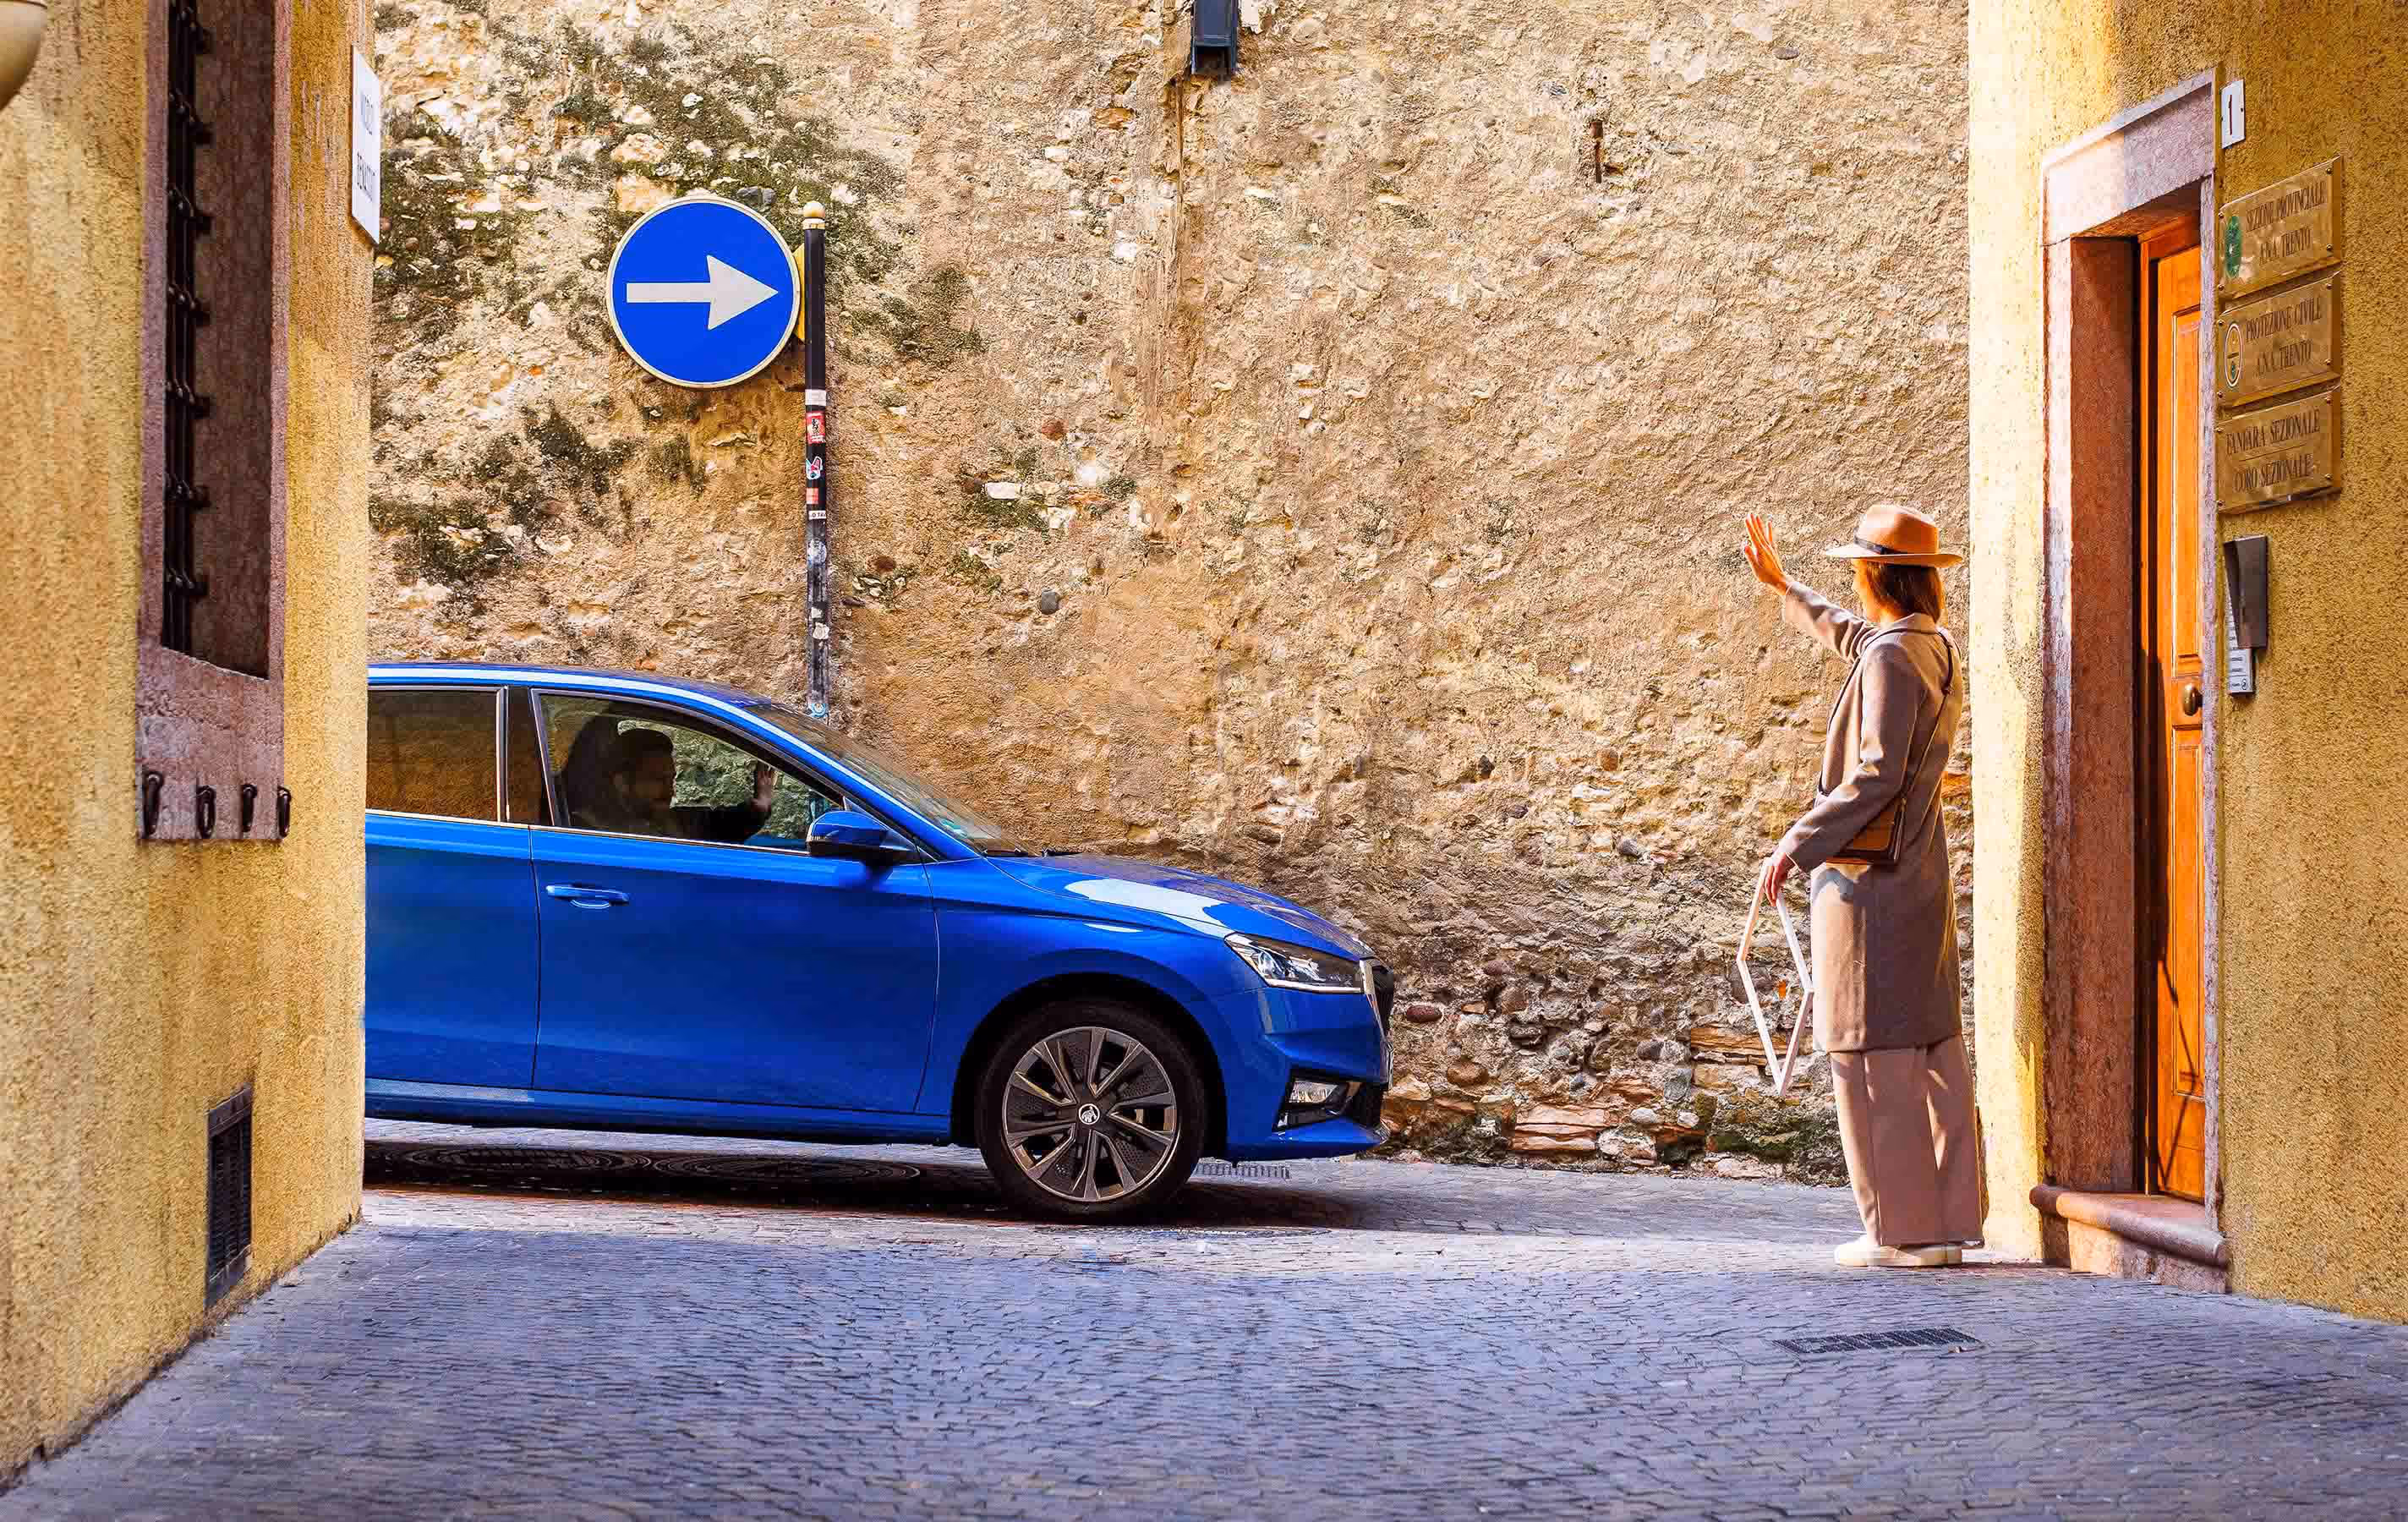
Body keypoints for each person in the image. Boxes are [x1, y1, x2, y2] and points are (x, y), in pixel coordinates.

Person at [1743, 505, 1979, 1269]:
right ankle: (1945, 1227)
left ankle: (1901, 1235)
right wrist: (1789, 589)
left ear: (1873, 571)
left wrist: (1798, 842)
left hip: (1873, 880)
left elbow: (1874, 773)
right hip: (1921, 875)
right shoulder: (1930, 645)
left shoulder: (1889, 658)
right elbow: (1856, 635)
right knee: (1930, 1046)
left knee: (1869, 1051)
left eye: (1857, 567)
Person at [558, 719, 776, 844]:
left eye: (671, 778)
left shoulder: (665, 818)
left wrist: (759, 807)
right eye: (657, 779)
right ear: (622, 783)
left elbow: (713, 823)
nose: (669, 789)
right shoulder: (592, 832)